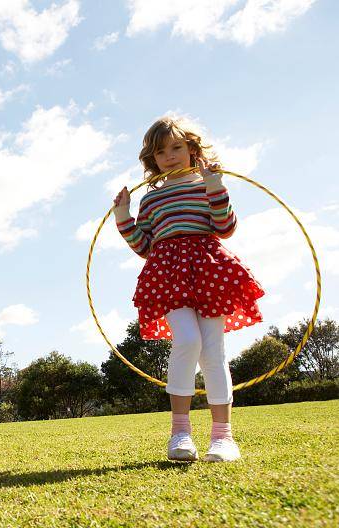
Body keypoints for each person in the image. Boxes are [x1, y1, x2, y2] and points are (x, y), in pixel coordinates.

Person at [113, 116, 264, 463]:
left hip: (209, 268)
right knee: (187, 339)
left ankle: (223, 438)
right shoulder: (150, 199)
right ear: (152, 160)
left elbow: (225, 227)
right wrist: (123, 214)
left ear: (192, 149)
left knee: (213, 350)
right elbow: (144, 245)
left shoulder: (206, 184)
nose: (169, 156)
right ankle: (180, 434)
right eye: (161, 152)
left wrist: (215, 186)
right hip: (167, 270)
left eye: (177, 147)